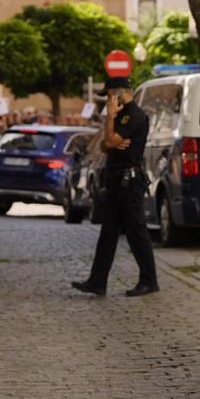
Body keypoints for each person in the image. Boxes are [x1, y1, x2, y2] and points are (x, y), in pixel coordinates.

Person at [72, 75, 157, 297]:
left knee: (136, 231)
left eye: (109, 94)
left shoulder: (133, 116)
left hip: (129, 181)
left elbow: (109, 142)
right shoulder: (121, 115)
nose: (107, 99)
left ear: (118, 91)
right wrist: (110, 136)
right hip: (116, 180)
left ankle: (149, 280)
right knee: (108, 232)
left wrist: (110, 121)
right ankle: (97, 281)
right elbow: (104, 144)